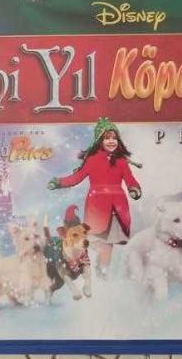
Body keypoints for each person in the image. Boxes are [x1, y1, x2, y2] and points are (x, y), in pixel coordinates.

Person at [48, 118, 141, 277]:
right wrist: (59, 182)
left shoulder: (121, 161)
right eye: (107, 137)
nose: (111, 141)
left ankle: (103, 272)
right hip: (97, 207)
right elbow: (76, 177)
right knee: (92, 240)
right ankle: (86, 266)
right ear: (99, 140)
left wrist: (134, 189)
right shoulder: (92, 160)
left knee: (109, 244)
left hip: (117, 209)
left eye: (114, 137)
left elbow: (130, 179)